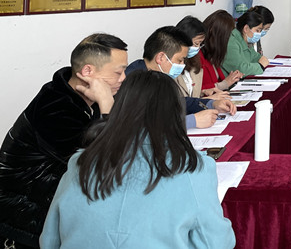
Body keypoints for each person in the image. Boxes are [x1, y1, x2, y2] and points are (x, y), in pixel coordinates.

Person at [40, 70, 235, 249]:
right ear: (176, 113)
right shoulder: (192, 167)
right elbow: (216, 243)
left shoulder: (81, 161)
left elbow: (49, 240)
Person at [0, 33, 128, 249]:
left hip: (49, 204)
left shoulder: (82, 98)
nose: (123, 78)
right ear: (87, 71)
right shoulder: (55, 108)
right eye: (118, 72)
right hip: (22, 217)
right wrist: (107, 105)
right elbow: (102, 163)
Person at [125, 26, 236, 129]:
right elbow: (142, 124)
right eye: (180, 60)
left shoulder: (158, 76)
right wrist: (191, 121)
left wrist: (211, 104)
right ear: (161, 57)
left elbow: (176, 102)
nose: (182, 65)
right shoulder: (134, 81)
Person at [175, 15, 229, 101]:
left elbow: (191, 93)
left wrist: (203, 92)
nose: (198, 48)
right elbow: (179, 102)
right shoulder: (172, 68)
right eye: (196, 44)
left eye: (200, 44)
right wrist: (207, 99)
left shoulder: (193, 62)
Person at [200, 10, 243, 91]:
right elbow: (201, 91)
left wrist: (232, 78)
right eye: (227, 36)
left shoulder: (212, 53)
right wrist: (226, 83)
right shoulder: (198, 55)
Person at [221, 10, 270, 76]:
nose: (259, 34)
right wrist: (260, 66)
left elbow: (256, 58)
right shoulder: (231, 42)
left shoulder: (246, 41)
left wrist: (262, 61)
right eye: (257, 30)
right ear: (246, 28)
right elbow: (240, 70)